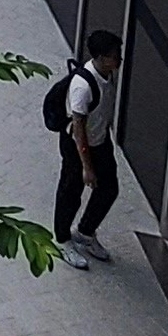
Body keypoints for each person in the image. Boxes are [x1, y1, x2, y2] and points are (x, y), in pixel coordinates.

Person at [54, 31, 124, 267]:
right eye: (115, 56)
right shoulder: (82, 87)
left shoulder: (107, 75)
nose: (120, 59)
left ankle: (85, 233)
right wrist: (87, 167)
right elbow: (78, 127)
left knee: (109, 189)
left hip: (100, 141)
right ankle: (62, 239)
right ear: (102, 57)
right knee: (70, 192)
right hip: (78, 146)